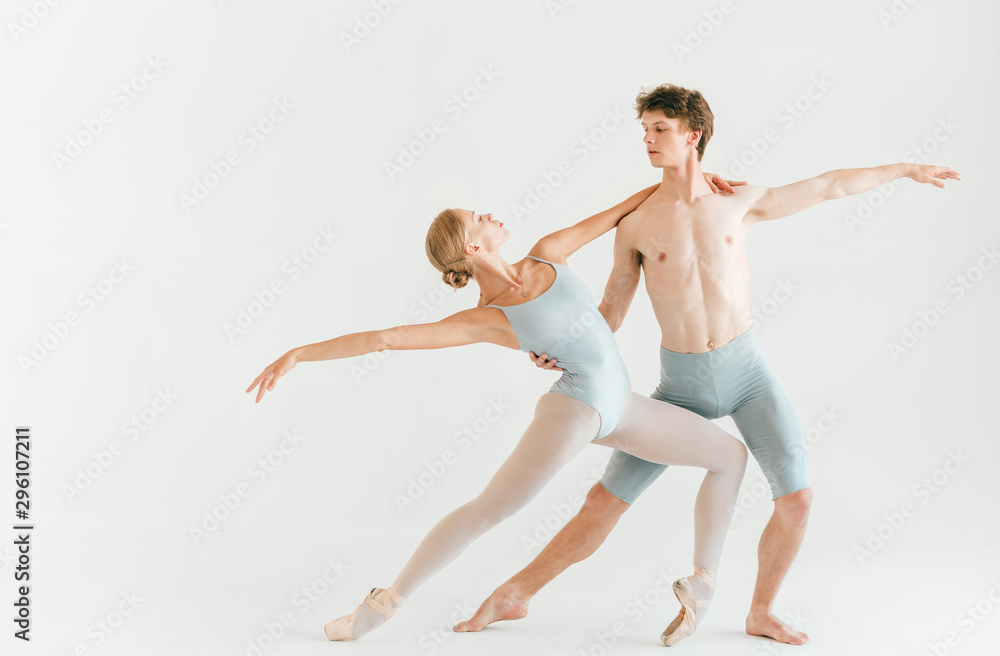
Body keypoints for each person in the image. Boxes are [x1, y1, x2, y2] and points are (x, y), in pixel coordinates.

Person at [455, 83, 961, 645]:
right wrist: (559, 346)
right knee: (603, 501)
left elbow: (828, 185)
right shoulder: (637, 224)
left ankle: (760, 612)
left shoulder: (738, 201)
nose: (647, 140)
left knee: (798, 500)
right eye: (644, 130)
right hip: (682, 387)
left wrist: (908, 168)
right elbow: (610, 312)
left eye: (660, 130)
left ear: (693, 135)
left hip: (748, 376)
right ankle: (513, 594)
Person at [245, 181, 749, 645]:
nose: (489, 213)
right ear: (471, 247)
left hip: (625, 405)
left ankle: (702, 586)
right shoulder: (487, 318)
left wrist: (691, 180)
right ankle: (384, 603)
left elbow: (621, 212)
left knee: (730, 455)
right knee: (489, 509)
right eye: (477, 216)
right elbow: (389, 338)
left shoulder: (549, 252)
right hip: (576, 407)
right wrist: (299, 353)